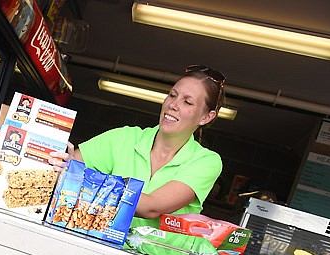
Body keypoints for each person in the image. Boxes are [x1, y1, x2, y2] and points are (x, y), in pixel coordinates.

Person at [50, 64, 225, 228]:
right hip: (102, 244)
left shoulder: (206, 161)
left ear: (206, 117)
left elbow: (152, 207)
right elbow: (69, 168)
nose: (173, 105)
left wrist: (83, 179)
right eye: (172, 95)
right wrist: (65, 166)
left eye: (187, 102)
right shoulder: (124, 138)